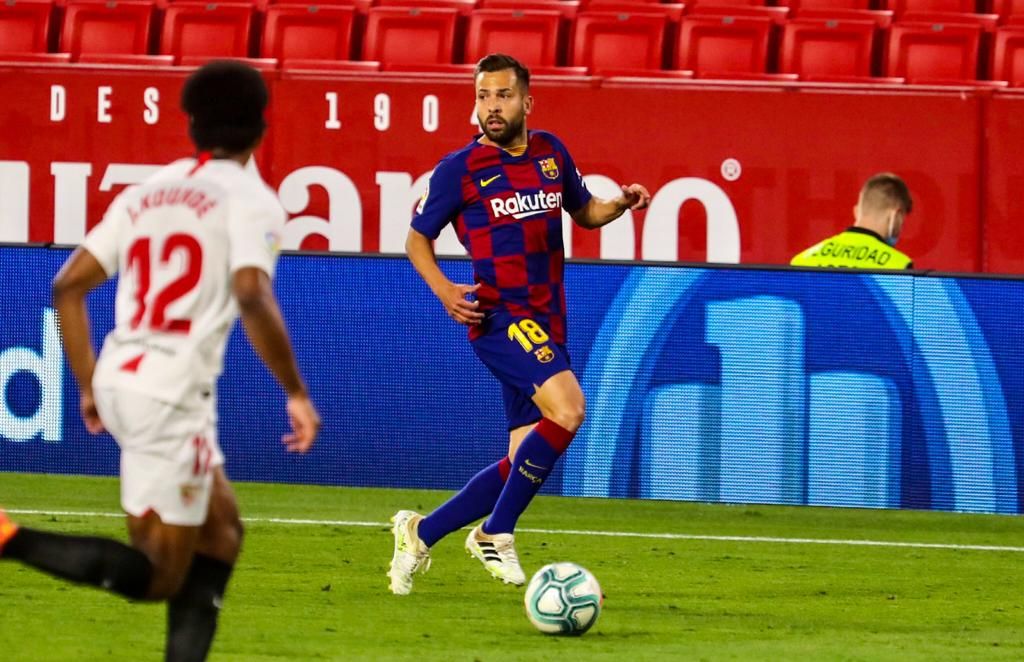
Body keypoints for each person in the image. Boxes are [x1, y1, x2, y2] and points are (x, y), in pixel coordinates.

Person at [0, 61, 320, 661]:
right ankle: (8, 539)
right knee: (157, 576)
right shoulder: (253, 201)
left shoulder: (146, 192)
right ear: (260, 127)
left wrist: (90, 386)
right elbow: (252, 291)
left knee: (221, 536)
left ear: (192, 124)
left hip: (123, 378)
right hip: (170, 398)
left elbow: (67, 287)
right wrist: (296, 393)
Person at [388, 53, 651, 595]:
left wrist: (620, 204)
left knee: (523, 457)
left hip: (548, 318)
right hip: (500, 315)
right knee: (571, 408)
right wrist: (443, 291)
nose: (491, 107)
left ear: (526, 102)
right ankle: (495, 532)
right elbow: (417, 238)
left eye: (503, 95)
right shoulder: (459, 169)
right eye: (483, 96)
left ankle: (420, 531)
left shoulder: (551, 154)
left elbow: (585, 211)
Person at [790, 173, 914, 269]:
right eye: (902, 222)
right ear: (896, 216)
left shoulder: (802, 260)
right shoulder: (898, 265)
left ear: (856, 211)